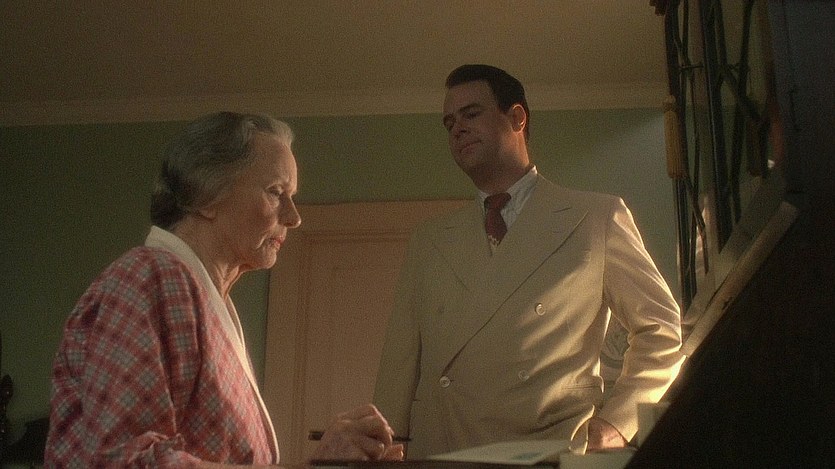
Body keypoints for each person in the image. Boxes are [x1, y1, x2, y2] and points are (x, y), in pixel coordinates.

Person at [44, 112, 404, 467]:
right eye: (276, 192)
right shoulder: (147, 277)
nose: (294, 218)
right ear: (206, 195)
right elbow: (124, 462)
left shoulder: (204, 298)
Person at [373, 65, 684, 457]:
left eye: (471, 114)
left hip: (551, 448)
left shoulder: (595, 218)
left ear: (517, 118)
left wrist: (617, 424)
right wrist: (381, 447)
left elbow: (662, 330)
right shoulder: (429, 239)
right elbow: (398, 366)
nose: (457, 130)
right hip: (444, 450)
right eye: (449, 123)